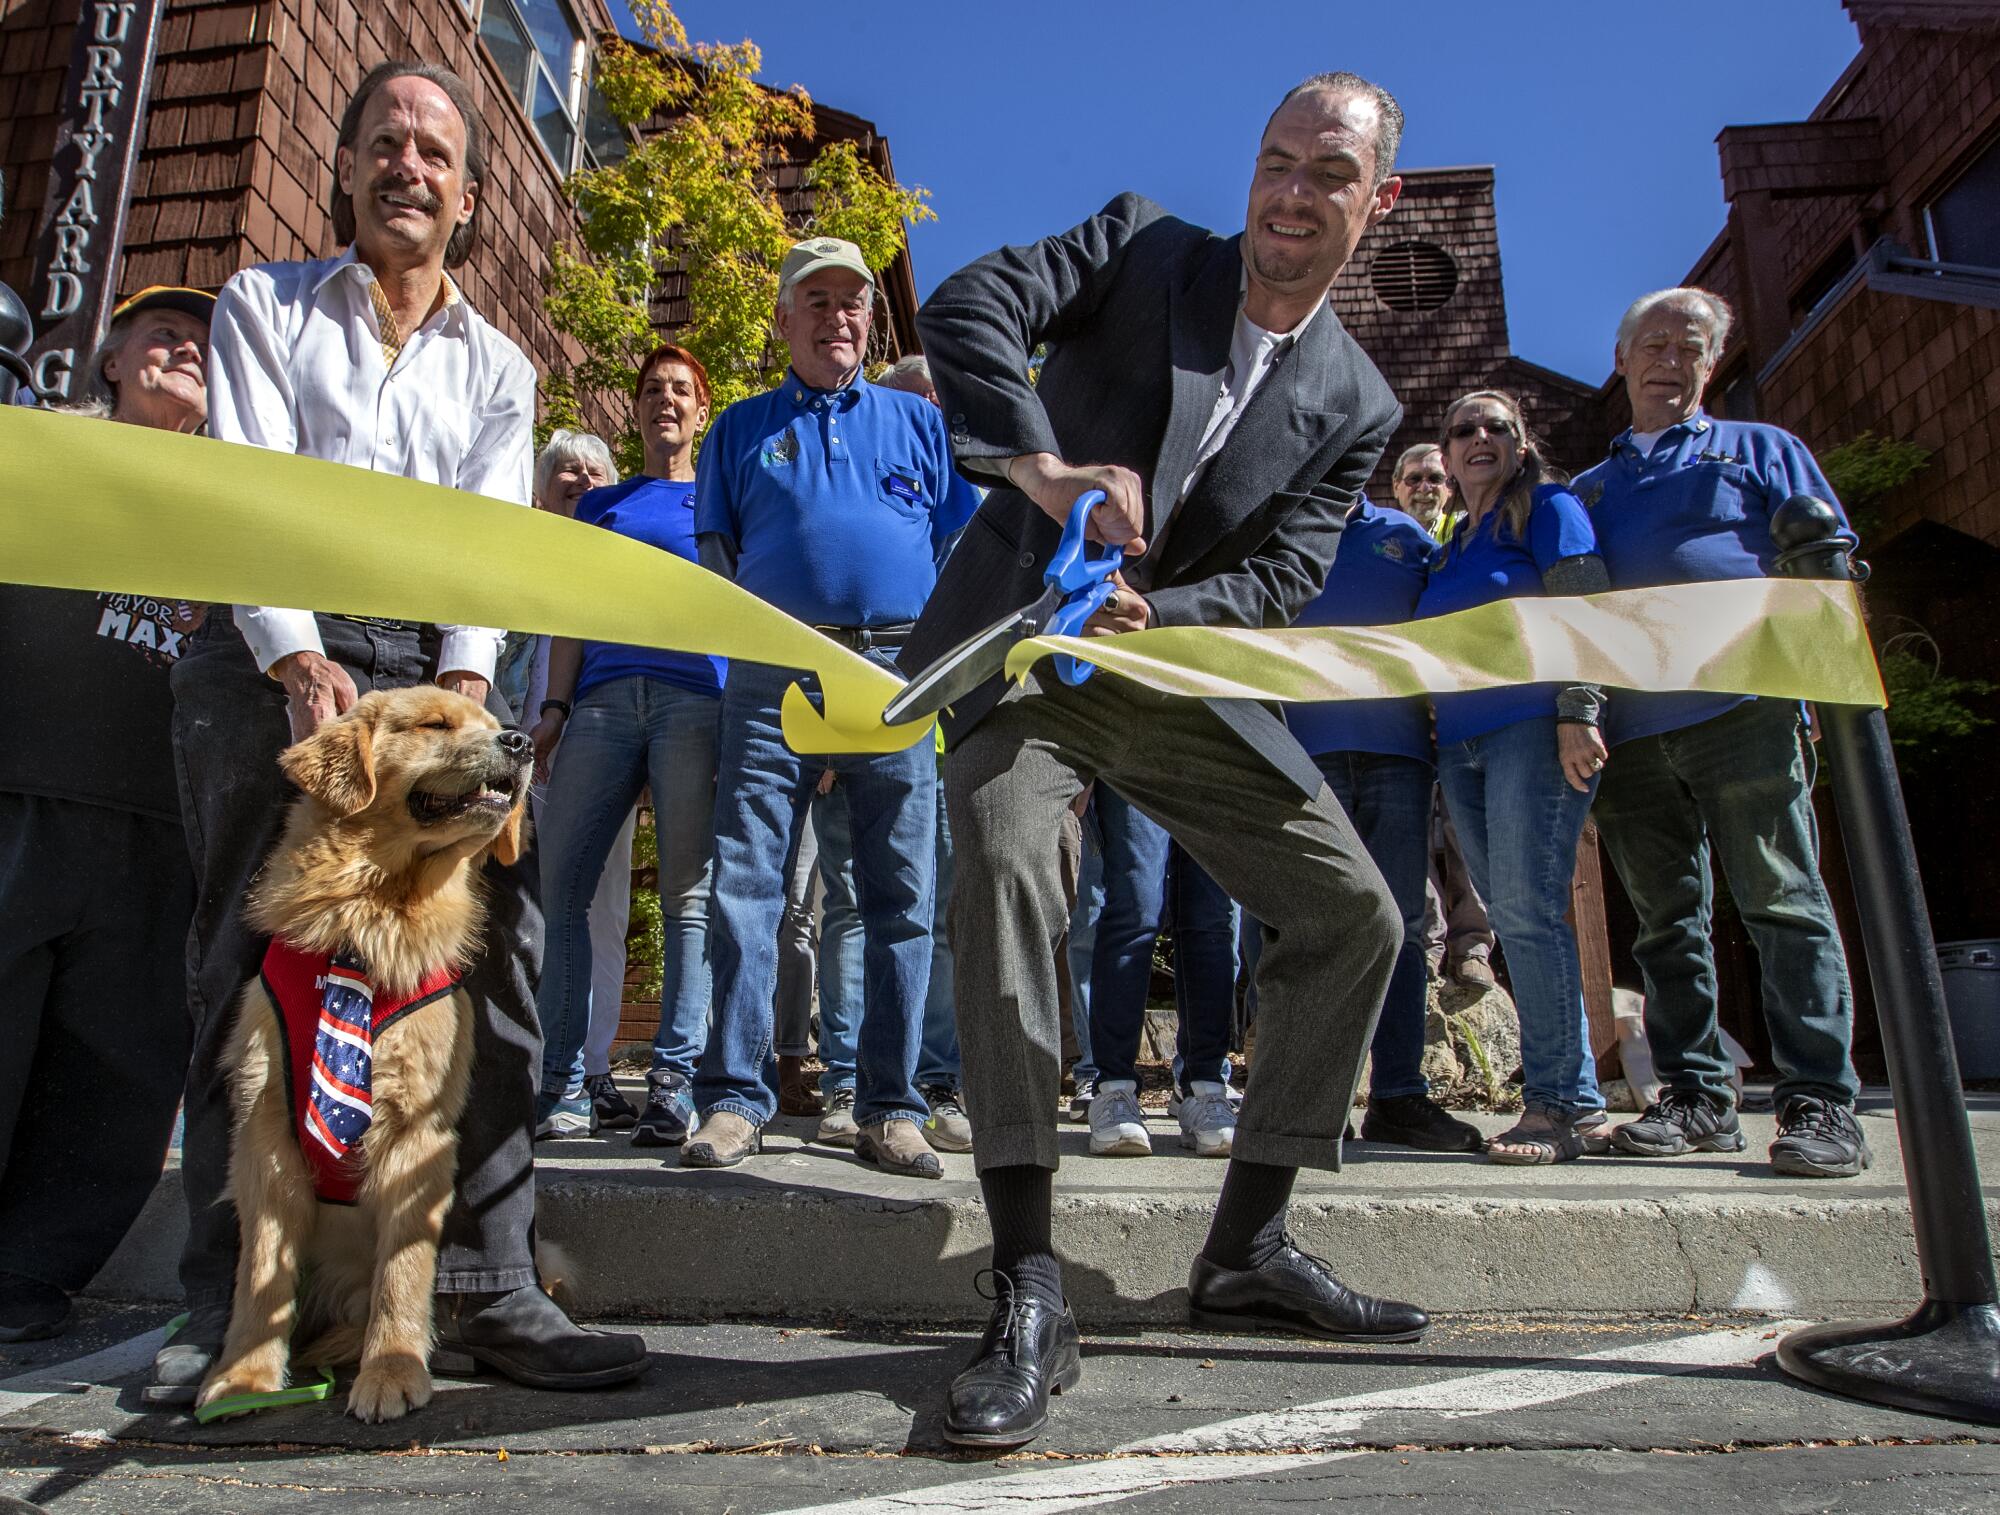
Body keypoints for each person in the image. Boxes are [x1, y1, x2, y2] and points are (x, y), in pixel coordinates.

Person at [907, 72, 1426, 1449]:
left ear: (1376, 203)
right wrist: (1041, 469)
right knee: (1012, 857)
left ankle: (1246, 1247)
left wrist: (1165, 614)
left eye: (1328, 172)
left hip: (1169, 673)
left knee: (1353, 911)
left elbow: (1288, 577)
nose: (1291, 192)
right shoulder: (1145, 246)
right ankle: (1026, 1274)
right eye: (1276, 161)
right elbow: (966, 305)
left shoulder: (1358, 400)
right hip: (1021, 651)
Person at [154, 61, 646, 1403]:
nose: (407, 167)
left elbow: (483, 547)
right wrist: (297, 655)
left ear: (471, 196)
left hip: (432, 667)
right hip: (276, 654)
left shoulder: (499, 363)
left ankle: (486, 1283)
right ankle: (238, 1313)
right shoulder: (266, 305)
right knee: (248, 976)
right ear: (348, 167)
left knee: (500, 957)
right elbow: (247, 493)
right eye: (385, 142)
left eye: (433, 150)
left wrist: (471, 694)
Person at [684, 236, 975, 1180]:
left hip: (898, 667)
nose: (838, 316)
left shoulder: (920, 424)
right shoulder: (736, 429)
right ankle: (732, 1100)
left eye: (853, 301)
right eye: (816, 299)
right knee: (749, 884)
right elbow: (718, 563)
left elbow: (962, 547)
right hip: (775, 667)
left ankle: (891, 1106)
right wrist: (761, 657)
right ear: (783, 319)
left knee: (901, 891)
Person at [1575, 287, 1869, 1178]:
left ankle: (1820, 1100)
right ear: (1622, 362)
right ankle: (1698, 1094)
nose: (1671, 358)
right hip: (1632, 729)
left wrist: (1817, 693)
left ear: (1713, 365)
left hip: (1746, 711)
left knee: (1782, 899)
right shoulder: (1587, 489)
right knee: (1666, 922)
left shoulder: (1765, 451)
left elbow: (1827, 575)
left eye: (1692, 346)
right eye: (1654, 344)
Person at [0, 287, 211, 1342]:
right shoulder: (35, 453)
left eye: (203, 344)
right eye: (162, 334)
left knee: (120, 1069)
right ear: (113, 359)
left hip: (162, 821)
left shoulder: (240, 495)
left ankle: (27, 1284)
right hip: (24, 791)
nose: (185, 350)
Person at [529, 346, 724, 1147]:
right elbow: (574, 611)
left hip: (693, 703)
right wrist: (553, 706)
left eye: (681, 388)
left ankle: (674, 1081)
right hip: (603, 703)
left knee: (688, 896)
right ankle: (564, 1082)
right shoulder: (600, 505)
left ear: (701, 412)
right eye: (652, 390)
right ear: (637, 410)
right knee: (563, 886)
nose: (665, 400)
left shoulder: (724, 495)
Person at [1419, 391, 1609, 1165]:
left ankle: (1558, 1106)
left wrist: (1579, 708)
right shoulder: (1453, 540)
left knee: (1531, 911)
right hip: (1460, 745)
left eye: (1498, 426)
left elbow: (1586, 607)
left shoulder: (1549, 509)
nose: (1480, 438)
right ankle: (1582, 1102)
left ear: (1522, 444)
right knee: (1512, 912)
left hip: (1534, 731)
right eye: (1464, 429)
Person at [1285, 495, 1485, 1153]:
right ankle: (1318, 1102)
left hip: (1400, 754)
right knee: (1318, 924)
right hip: (1304, 754)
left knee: (1401, 926)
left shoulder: (1404, 533)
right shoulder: (1280, 524)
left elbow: (1448, 627)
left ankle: (1399, 1096)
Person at [513, 431, 641, 1134]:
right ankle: (526, 1065)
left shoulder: (620, 566)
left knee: (602, 914)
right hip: (506, 763)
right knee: (513, 916)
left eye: (596, 468)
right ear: (541, 489)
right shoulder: (514, 558)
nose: (582, 476)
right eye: (567, 467)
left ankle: (590, 1072)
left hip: (597, 758)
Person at [869, 353, 977, 1154]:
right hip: (886, 732)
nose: (921, 415)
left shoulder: (965, 499)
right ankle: (893, 1081)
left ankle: (941, 1076)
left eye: (933, 403)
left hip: (964, 736)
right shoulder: (881, 499)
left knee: (948, 915)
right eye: (907, 401)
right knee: (882, 911)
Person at [1389, 443, 1495, 988]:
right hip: (1402, 711)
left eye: (1434, 478)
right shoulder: (1386, 542)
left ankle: (1473, 946)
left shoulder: (1463, 539)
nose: (1424, 488)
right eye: (1413, 479)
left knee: (1464, 828)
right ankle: (1428, 946)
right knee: (1411, 832)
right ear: (1396, 487)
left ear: (1449, 486)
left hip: (1462, 705)